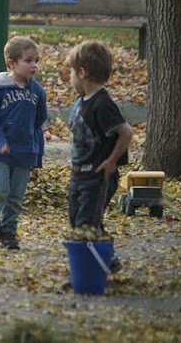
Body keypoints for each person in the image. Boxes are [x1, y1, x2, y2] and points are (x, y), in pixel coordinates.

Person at [65, 40, 133, 273]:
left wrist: (111, 161)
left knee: (87, 225)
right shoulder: (80, 101)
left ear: (82, 73)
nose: (70, 78)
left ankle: (89, 272)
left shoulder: (102, 105)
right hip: (79, 175)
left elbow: (126, 133)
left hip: (98, 176)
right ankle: (107, 259)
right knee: (78, 221)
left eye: (72, 73)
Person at [0, 36, 47, 249]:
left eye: (36, 60)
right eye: (28, 60)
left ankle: (8, 232)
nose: (34, 65)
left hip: (25, 152)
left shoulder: (37, 91)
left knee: (16, 196)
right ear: (12, 63)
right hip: (0, 151)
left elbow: (38, 123)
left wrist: (37, 156)